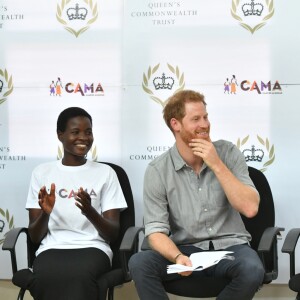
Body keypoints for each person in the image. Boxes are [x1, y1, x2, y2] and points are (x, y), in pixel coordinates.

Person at [129, 90, 264, 300]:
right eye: (195, 119)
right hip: (185, 250)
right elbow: (155, 231)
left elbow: (250, 208)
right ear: (176, 124)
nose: (205, 124)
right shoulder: (157, 170)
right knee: (139, 263)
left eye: (206, 117)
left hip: (231, 248)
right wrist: (177, 256)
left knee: (252, 268)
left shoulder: (227, 153)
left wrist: (216, 164)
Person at [25, 107, 127, 300]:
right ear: (60, 135)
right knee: (46, 275)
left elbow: (113, 234)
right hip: (52, 248)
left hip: (94, 247)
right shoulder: (41, 173)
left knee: (80, 275)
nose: (84, 137)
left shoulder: (106, 173)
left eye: (88, 132)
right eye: (75, 132)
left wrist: (90, 212)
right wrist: (46, 212)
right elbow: (35, 236)